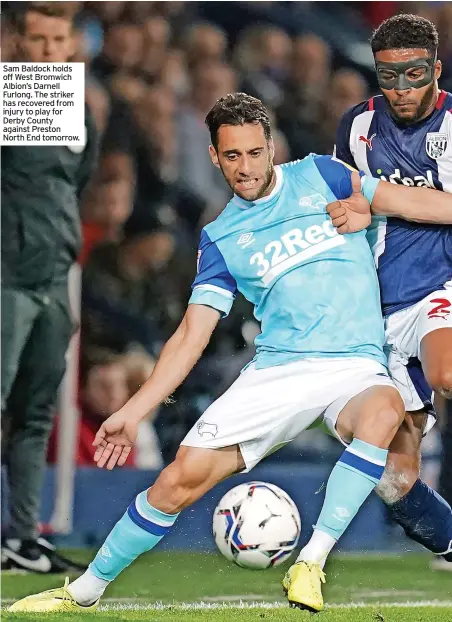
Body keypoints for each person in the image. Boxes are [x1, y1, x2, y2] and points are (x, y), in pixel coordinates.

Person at [9, 92, 452, 614]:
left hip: (353, 364)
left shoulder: (324, 177)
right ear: (216, 157)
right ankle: (80, 592)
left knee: (384, 409)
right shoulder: (222, 237)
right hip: (277, 372)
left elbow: (411, 203)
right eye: (232, 156)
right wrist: (134, 410)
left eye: (254, 153)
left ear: (272, 148)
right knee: (176, 483)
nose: (245, 168)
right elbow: (191, 335)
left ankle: (310, 562)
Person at [333, 13, 452, 567]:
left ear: (436, 69)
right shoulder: (356, 126)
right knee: (395, 481)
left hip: (438, 287)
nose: (402, 89)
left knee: (447, 371)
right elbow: (339, 205)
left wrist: (376, 195)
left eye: (414, 73)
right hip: (374, 306)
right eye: (388, 76)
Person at [1, 2, 97, 573]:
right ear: (15, 41)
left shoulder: (77, 109)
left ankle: (20, 539)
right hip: (8, 275)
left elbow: (69, 185)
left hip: (54, 274)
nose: (45, 52)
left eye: (55, 40)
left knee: (36, 413)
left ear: (70, 44)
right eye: (35, 40)